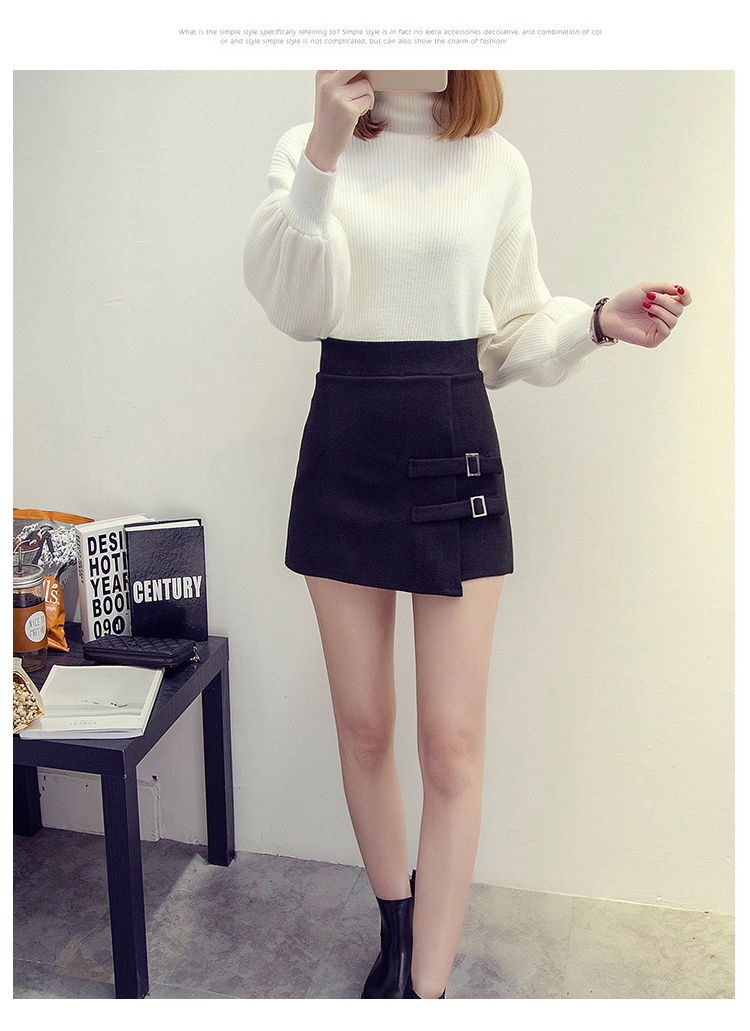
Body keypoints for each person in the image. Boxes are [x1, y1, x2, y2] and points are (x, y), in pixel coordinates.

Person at [243, 70, 691, 1000]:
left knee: (450, 744)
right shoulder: (305, 148)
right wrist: (324, 151)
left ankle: (425, 993)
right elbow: (296, 307)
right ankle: (396, 926)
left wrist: (595, 322)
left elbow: (509, 328)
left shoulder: (496, 164)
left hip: (455, 444)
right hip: (346, 443)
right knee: (364, 726)